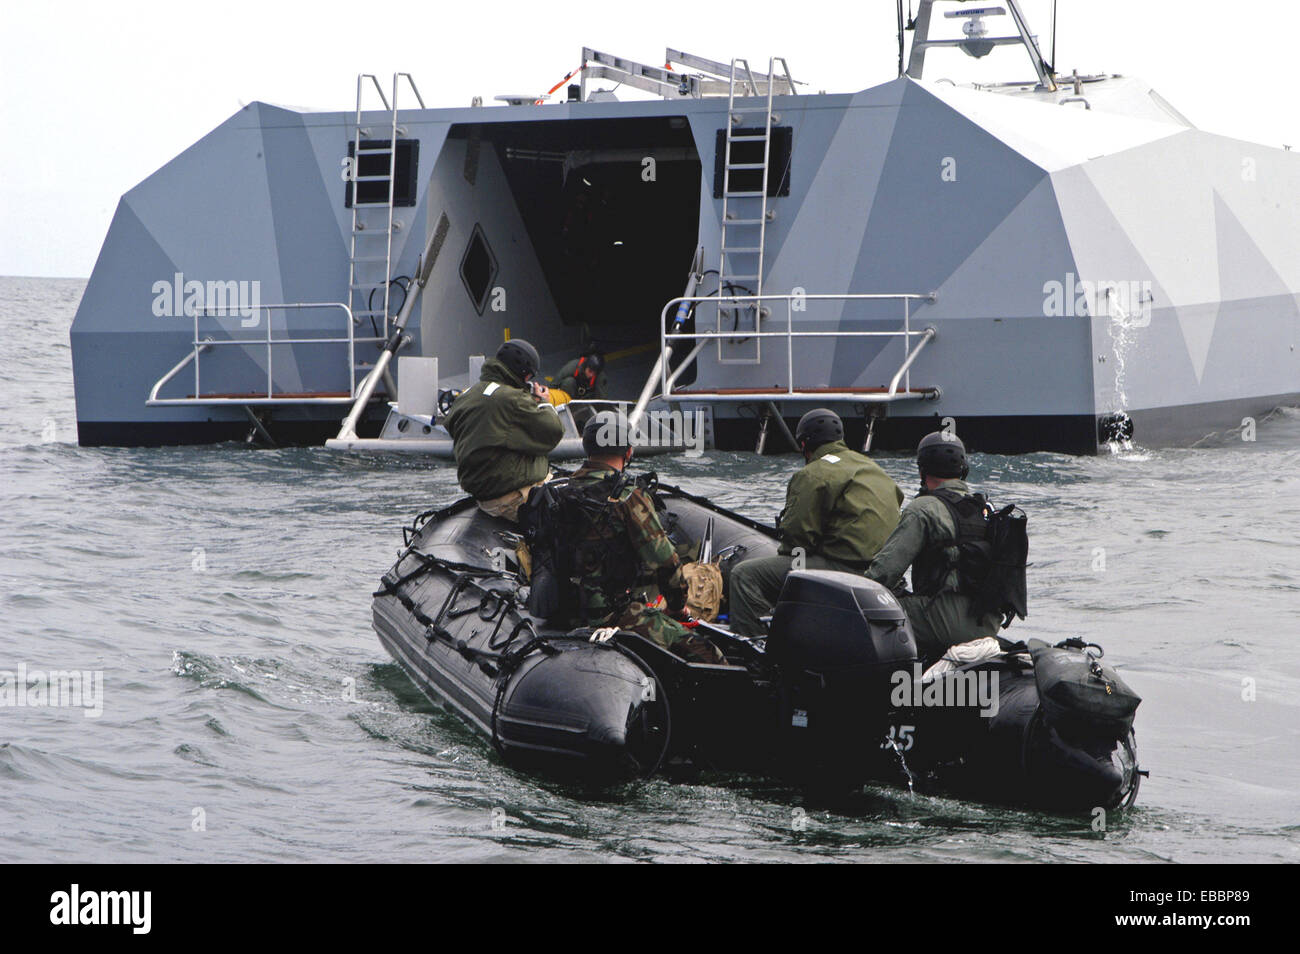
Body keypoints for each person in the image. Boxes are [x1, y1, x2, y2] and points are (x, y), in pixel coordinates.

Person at [523, 410, 724, 664]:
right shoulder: (629, 496)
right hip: (613, 617)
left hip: (564, 613)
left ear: (587, 448)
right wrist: (676, 606)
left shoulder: (559, 493)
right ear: (628, 452)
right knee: (709, 653)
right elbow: (666, 562)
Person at [728, 409, 904, 637]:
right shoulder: (874, 469)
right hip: (881, 574)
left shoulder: (813, 473)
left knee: (744, 575)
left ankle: (758, 648)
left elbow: (797, 538)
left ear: (803, 444)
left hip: (845, 570)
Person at [865, 431, 1003, 664]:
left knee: (867, 609)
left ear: (922, 470)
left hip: (945, 624)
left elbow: (883, 574)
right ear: (963, 469)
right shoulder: (986, 509)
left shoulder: (923, 508)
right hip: (988, 625)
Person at [443, 339, 563, 522]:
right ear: (522, 373)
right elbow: (553, 431)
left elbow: (455, 425)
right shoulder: (512, 399)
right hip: (511, 501)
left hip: (483, 495)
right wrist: (544, 402)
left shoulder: (467, 395)